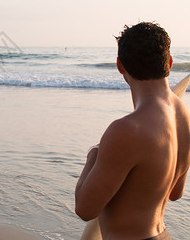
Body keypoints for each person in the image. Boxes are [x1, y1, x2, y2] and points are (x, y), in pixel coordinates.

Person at [75, 22, 190, 239]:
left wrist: (93, 156)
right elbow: (175, 192)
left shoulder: (127, 130)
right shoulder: (185, 116)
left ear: (120, 66)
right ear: (170, 62)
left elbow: (84, 209)